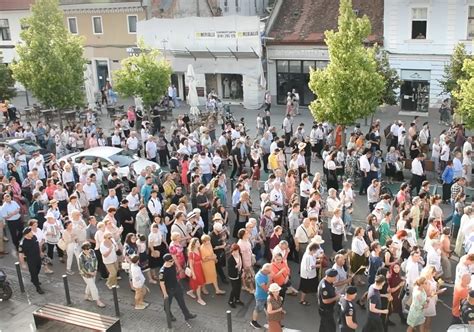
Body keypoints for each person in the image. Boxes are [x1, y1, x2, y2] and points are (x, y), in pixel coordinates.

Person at [159, 253, 197, 324]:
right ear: (166, 261)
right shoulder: (162, 272)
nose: (173, 262)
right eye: (171, 261)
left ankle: (187, 315)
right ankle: (170, 316)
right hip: (169, 290)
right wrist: (165, 294)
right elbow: (162, 283)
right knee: (167, 305)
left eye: (173, 260)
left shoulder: (172, 265)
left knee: (182, 302)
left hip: (177, 287)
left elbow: (175, 274)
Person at [78, 241, 106, 308]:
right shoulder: (81, 257)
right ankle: (98, 301)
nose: (88, 250)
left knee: (90, 284)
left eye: (89, 248)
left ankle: (87, 295)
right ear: (83, 249)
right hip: (86, 274)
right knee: (93, 287)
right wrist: (90, 273)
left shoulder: (92, 251)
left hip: (94, 272)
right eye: (86, 249)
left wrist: (95, 270)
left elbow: (95, 260)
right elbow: (82, 268)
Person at [18, 227, 44, 294]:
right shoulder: (22, 243)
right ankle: (37, 287)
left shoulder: (34, 237)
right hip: (31, 259)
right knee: (34, 272)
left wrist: (40, 252)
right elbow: (20, 254)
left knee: (38, 269)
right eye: (30, 232)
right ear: (26, 234)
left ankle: (33, 279)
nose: (32, 233)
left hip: (37, 257)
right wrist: (23, 264)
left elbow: (38, 245)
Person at [250, 263, 272, 329]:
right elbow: (265, 289)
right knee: (258, 309)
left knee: (269, 309)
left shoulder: (265, 273)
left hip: (266, 296)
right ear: (265, 270)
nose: (270, 273)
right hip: (261, 297)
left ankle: (271, 323)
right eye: (269, 272)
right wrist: (269, 279)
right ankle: (253, 322)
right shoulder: (259, 277)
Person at [186, 238, 206, 306]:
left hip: (199, 267)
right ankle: (199, 299)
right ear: (194, 244)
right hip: (195, 269)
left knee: (198, 282)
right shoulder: (191, 253)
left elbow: (201, 259)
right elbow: (191, 264)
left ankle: (190, 292)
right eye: (197, 243)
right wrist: (193, 274)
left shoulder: (198, 249)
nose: (199, 244)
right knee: (199, 284)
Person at [227, 243, 244, 308]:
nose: (236, 252)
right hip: (233, 276)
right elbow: (230, 269)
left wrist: (242, 271)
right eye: (234, 251)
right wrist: (235, 267)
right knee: (234, 288)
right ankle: (230, 301)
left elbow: (242, 263)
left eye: (237, 251)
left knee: (239, 287)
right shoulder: (230, 259)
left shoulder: (240, 255)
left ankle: (237, 299)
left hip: (239, 274)